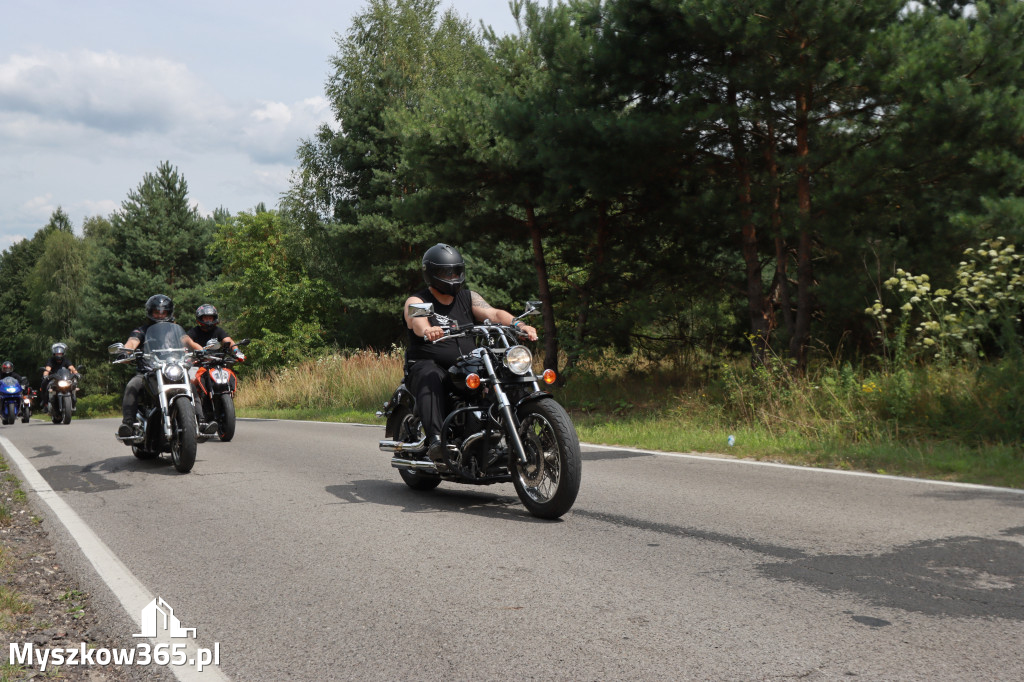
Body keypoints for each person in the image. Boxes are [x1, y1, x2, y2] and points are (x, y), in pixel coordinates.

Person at [403, 243, 537, 463]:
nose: (452, 276)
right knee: (431, 374)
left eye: (455, 271)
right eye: (446, 272)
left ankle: (508, 432)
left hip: (464, 364)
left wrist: (518, 324)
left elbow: (493, 313)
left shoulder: (467, 298)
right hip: (428, 363)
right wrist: (428, 329)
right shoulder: (419, 300)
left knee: (501, 372)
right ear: (431, 273)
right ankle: (436, 440)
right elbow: (417, 322)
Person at [116, 294, 217, 439]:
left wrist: (203, 352)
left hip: (172, 368)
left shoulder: (175, 330)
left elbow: (190, 342)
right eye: (157, 312)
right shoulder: (142, 331)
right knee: (133, 385)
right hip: (149, 371)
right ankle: (128, 424)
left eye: (164, 312)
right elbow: (132, 342)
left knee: (192, 386)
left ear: (169, 313)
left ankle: (201, 422)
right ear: (150, 312)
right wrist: (126, 352)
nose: (160, 315)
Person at [40, 343, 79, 411]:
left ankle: (73, 400)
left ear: (63, 353)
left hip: (64, 378)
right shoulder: (51, 360)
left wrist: (77, 373)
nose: (59, 355)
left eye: (60, 353)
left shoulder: (66, 360)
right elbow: (48, 368)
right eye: (57, 353)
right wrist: (45, 375)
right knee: (44, 383)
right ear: (54, 353)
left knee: (74, 384)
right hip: (54, 378)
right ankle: (45, 403)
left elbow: (71, 367)